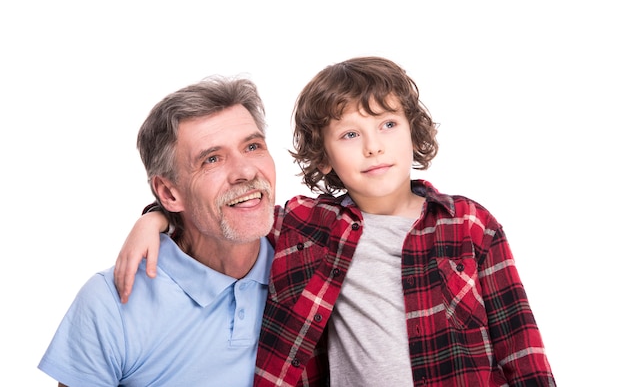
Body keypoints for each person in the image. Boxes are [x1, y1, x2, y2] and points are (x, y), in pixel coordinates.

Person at [115, 57, 556, 386]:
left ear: (412, 131)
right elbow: (225, 211)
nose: (373, 148)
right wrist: (154, 217)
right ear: (323, 157)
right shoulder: (306, 226)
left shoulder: (470, 224)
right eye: (349, 135)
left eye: (387, 125)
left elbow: (521, 344)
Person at [38, 76, 277, 386]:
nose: (245, 172)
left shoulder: (314, 264)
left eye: (253, 146)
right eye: (212, 159)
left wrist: (154, 217)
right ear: (169, 193)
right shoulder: (111, 301)